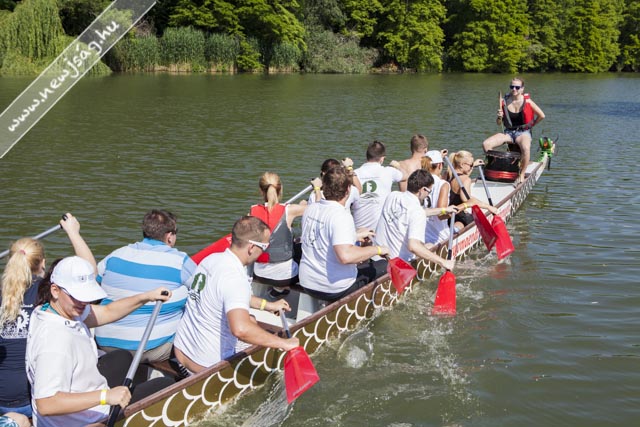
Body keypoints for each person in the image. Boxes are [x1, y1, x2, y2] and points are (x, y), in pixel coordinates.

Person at [26, 256, 172, 427]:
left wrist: (146, 297)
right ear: (55, 290)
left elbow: (107, 312)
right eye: (77, 296)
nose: (83, 302)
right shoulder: (55, 341)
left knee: (122, 357)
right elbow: (47, 404)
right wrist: (105, 397)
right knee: (166, 385)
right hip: (79, 422)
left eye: (86, 296)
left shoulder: (49, 309)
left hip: (80, 398)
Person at [173, 216, 299, 374]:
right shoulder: (235, 278)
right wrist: (284, 344)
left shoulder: (211, 260)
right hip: (205, 367)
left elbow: (226, 295)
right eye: (265, 247)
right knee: (257, 334)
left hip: (181, 351)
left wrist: (268, 305)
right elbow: (241, 330)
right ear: (251, 248)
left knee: (251, 320)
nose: (265, 251)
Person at [0, 213, 91, 418]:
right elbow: (88, 274)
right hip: (30, 401)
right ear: (43, 263)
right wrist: (73, 233)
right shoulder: (48, 291)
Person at [95, 209, 196, 363]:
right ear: (169, 236)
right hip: (147, 349)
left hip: (105, 341)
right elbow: (204, 290)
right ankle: (188, 366)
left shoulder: (116, 255)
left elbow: (95, 281)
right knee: (190, 296)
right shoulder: (180, 260)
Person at [299, 166, 390, 302]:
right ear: (348, 190)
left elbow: (324, 237)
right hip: (333, 289)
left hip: (307, 283)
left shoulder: (310, 208)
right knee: (383, 265)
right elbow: (345, 257)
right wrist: (378, 250)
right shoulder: (341, 215)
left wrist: (354, 235)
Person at [375, 170, 455, 271]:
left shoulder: (393, 196)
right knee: (429, 246)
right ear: (423, 190)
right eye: (429, 192)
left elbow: (415, 213)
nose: (428, 195)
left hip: (377, 256)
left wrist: (444, 210)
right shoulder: (417, 212)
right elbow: (413, 246)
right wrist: (443, 262)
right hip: (397, 267)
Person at [250, 172, 306, 296]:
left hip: (259, 274)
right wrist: (305, 202)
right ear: (280, 190)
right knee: (302, 248)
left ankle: (278, 290)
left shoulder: (252, 211)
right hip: (285, 277)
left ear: (261, 191)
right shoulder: (290, 210)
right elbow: (317, 209)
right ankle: (280, 288)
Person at [482, 77, 545, 184]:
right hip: (508, 132)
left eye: (517, 87)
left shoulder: (528, 101)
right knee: (486, 144)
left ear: (522, 89)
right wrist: (499, 117)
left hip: (523, 132)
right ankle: (495, 167)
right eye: (512, 87)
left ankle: (522, 174)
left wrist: (531, 125)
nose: (514, 89)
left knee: (526, 148)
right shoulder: (504, 101)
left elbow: (542, 115)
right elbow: (499, 123)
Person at [352, 140, 405, 230]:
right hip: (380, 231)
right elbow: (406, 176)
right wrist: (398, 166)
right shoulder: (389, 171)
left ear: (367, 156)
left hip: (357, 230)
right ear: (382, 158)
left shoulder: (354, 174)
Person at [446, 151, 499, 231]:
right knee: (467, 220)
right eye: (470, 165)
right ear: (462, 164)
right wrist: (489, 207)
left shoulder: (447, 174)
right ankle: (455, 230)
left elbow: (461, 176)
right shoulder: (466, 180)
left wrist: (473, 165)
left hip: (445, 213)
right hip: (457, 214)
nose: (471, 167)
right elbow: (468, 200)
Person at [422, 151, 458, 244]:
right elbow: (441, 215)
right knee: (460, 224)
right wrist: (458, 209)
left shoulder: (418, 180)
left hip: (421, 235)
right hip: (438, 237)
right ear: (439, 165)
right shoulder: (443, 184)